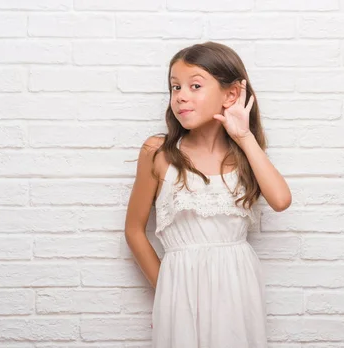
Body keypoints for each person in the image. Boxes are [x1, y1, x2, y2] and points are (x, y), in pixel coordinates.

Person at [124, 41, 292, 347]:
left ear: (230, 95)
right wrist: (166, 291)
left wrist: (244, 137)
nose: (181, 96)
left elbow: (281, 200)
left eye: (195, 85)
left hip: (237, 285)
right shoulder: (158, 152)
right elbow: (134, 230)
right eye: (175, 87)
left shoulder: (243, 155)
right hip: (179, 285)